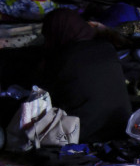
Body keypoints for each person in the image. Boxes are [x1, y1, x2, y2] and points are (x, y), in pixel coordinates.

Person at [37, 9, 132, 143]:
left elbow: (44, 96)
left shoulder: (62, 58)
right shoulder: (107, 48)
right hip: (122, 126)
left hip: (84, 133)